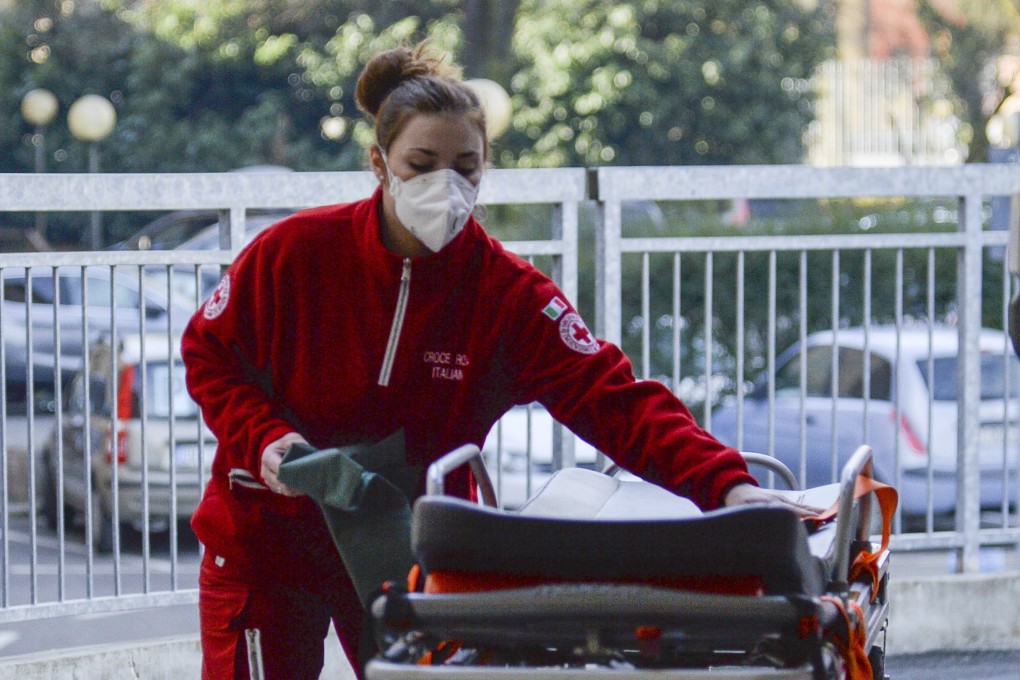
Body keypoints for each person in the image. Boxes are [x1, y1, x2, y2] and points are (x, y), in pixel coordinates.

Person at [182, 41, 817, 680]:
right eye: (421, 164)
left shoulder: (508, 296)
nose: (445, 185)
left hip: (402, 551)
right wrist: (263, 438)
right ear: (379, 163)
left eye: (466, 167)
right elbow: (209, 352)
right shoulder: (293, 253)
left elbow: (611, 398)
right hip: (267, 540)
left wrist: (726, 485)